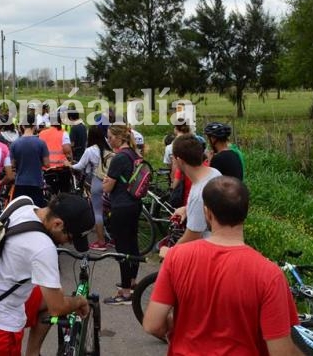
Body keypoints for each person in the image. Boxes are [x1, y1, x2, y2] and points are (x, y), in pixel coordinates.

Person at [144, 177, 300, 354]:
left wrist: (175, 325)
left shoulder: (176, 257)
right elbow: (281, 352)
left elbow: (152, 324)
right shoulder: (269, 275)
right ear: (245, 212)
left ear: (207, 213)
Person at [0, 193, 95, 356]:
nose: (67, 243)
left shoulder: (23, 203)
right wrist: (79, 301)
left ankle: (33, 352)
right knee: (57, 303)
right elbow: (58, 308)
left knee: (48, 299)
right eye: (69, 238)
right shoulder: (43, 247)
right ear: (57, 223)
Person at [159, 134, 222, 259]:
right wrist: (187, 209)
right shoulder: (213, 173)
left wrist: (171, 252)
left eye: (174, 159)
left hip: (206, 253)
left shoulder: (198, 193)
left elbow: (193, 235)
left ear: (180, 161)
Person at [102, 124, 142, 305]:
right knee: (132, 244)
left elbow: (108, 187)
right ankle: (132, 282)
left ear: (119, 138)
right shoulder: (135, 155)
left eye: (110, 137)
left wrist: (105, 183)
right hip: (135, 204)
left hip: (121, 206)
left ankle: (125, 293)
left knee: (122, 250)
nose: (109, 140)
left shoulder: (119, 158)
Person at [69, 124, 112, 251]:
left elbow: (80, 166)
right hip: (110, 182)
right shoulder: (108, 148)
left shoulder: (90, 150)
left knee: (97, 212)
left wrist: (68, 164)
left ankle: (101, 242)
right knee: (110, 209)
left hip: (97, 182)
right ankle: (113, 237)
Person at [9, 113, 49, 207]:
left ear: (22, 126)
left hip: (20, 183)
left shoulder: (15, 144)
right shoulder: (41, 143)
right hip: (36, 182)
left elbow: (12, 165)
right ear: (35, 126)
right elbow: (47, 164)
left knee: (20, 210)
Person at [39, 121, 73, 195]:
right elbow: (67, 151)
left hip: (47, 170)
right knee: (65, 195)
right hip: (62, 169)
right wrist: (71, 162)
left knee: (51, 193)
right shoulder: (63, 133)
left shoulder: (42, 133)